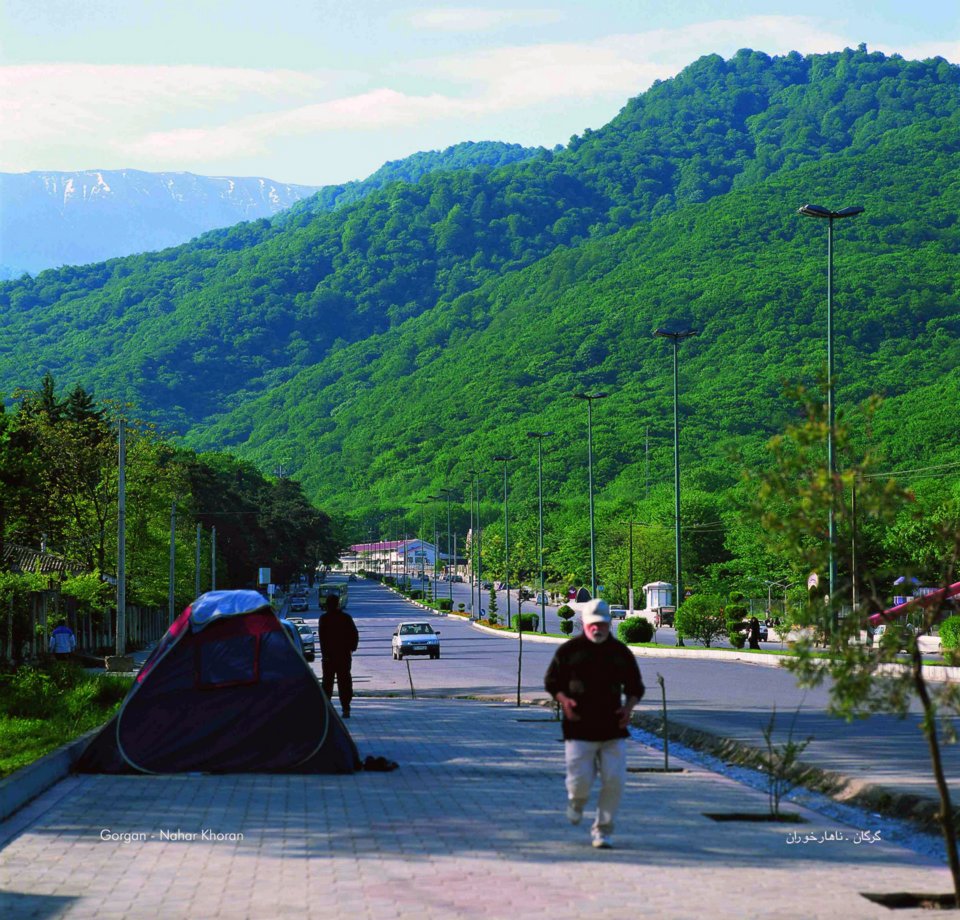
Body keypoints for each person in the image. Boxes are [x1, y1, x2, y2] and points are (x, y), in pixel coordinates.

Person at [544, 598, 644, 849]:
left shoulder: (619, 652)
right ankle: (576, 802)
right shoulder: (569, 651)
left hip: (613, 728)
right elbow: (552, 682)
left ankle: (603, 830)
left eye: (602, 624)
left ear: (609, 624)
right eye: (593, 625)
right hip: (579, 728)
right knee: (580, 784)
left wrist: (628, 708)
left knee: (614, 781)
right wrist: (564, 700)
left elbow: (635, 687)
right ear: (585, 624)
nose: (597, 629)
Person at [319, 594, 359, 719]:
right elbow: (354, 635)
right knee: (345, 683)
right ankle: (346, 708)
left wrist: (325, 654)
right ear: (338, 604)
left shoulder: (324, 619)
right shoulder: (346, 618)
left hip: (329, 657)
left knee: (327, 683)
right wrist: (351, 649)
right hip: (343, 656)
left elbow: (322, 639)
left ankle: (327, 708)